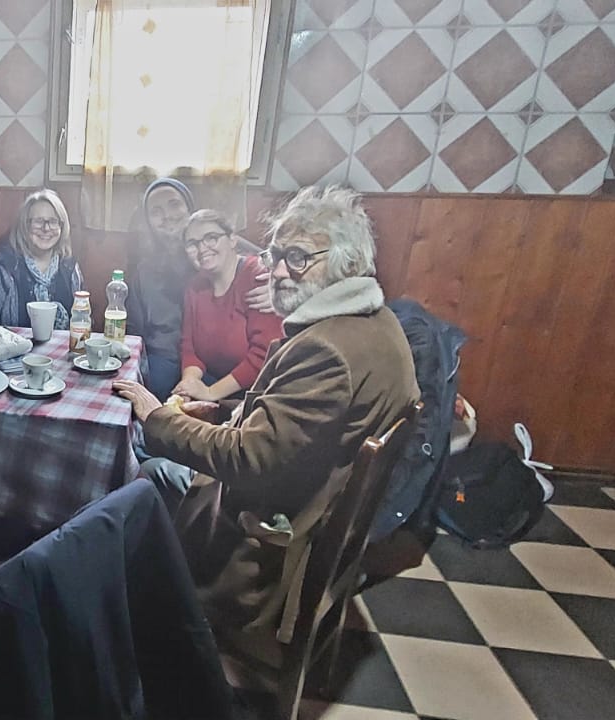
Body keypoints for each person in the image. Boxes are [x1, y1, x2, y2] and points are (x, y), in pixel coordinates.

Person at [113, 186, 418, 698]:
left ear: (345, 264)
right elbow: (281, 428)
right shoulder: (377, 321)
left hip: (269, 543)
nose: (276, 271)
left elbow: (248, 458)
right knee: (157, 455)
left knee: (143, 474)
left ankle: (157, 626)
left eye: (297, 258)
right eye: (276, 256)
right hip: (309, 506)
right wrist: (220, 409)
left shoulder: (326, 351)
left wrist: (158, 417)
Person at [128, 178, 272, 398]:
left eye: (174, 204)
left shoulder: (227, 252)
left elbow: (276, 263)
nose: (167, 215)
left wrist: (279, 287)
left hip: (223, 366)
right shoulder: (147, 271)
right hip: (170, 358)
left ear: (189, 207)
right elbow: (134, 328)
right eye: (156, 211)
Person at [173, 209, 285, 402]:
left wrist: (210, 393)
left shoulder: (257, 277)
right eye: (192, 243)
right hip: (214, 384)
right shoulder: (195, 286)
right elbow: (189, 348)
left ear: (233, 239)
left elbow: (264, 355)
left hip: (259, 392)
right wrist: (189, 384)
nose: (202, 248)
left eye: (211, 238)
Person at [0, 188, 84, 329]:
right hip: (12, 343)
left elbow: (82, 320)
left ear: (62, 226)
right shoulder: (4, 266)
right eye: (38, 221)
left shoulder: (70, 267)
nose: (46, 228)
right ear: (24, 226)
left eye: (53, 221)